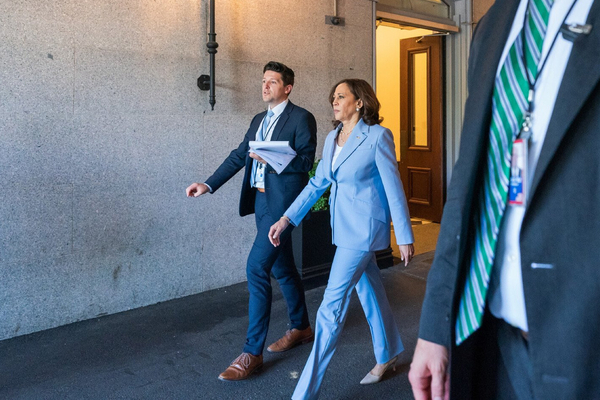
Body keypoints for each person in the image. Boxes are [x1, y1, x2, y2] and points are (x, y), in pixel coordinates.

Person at [408, 0, 599, 398]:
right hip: (490, 338)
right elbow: (468, 182)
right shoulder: (493, 24)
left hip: (583, 350)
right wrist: (434, 325)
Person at [269, 78, 415, 399]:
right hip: (342, 229)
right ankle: (388, 351)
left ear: (359, 102)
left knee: (329, 310)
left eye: (341, 96)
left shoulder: (377, 137)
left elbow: (393, 186)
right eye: (332, 96)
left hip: (362, 232)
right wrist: (287, 218)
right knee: (370, 290)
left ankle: (304, 393)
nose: (334, 101)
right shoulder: (333, 137)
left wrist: (403, 234)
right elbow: (316, 185)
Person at [186, 61, 317, 381]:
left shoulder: (301, 118)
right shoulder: (259, 119)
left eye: (272, 82)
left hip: (282, 205)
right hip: (260, 201)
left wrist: (273, 155)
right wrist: (209, 184)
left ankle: (251, 352)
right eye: (263, 81)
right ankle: (301, 327)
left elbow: (305, 161)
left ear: (287, 87)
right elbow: (238, 155)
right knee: (281, 266)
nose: (265, 86)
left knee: (257, 268)